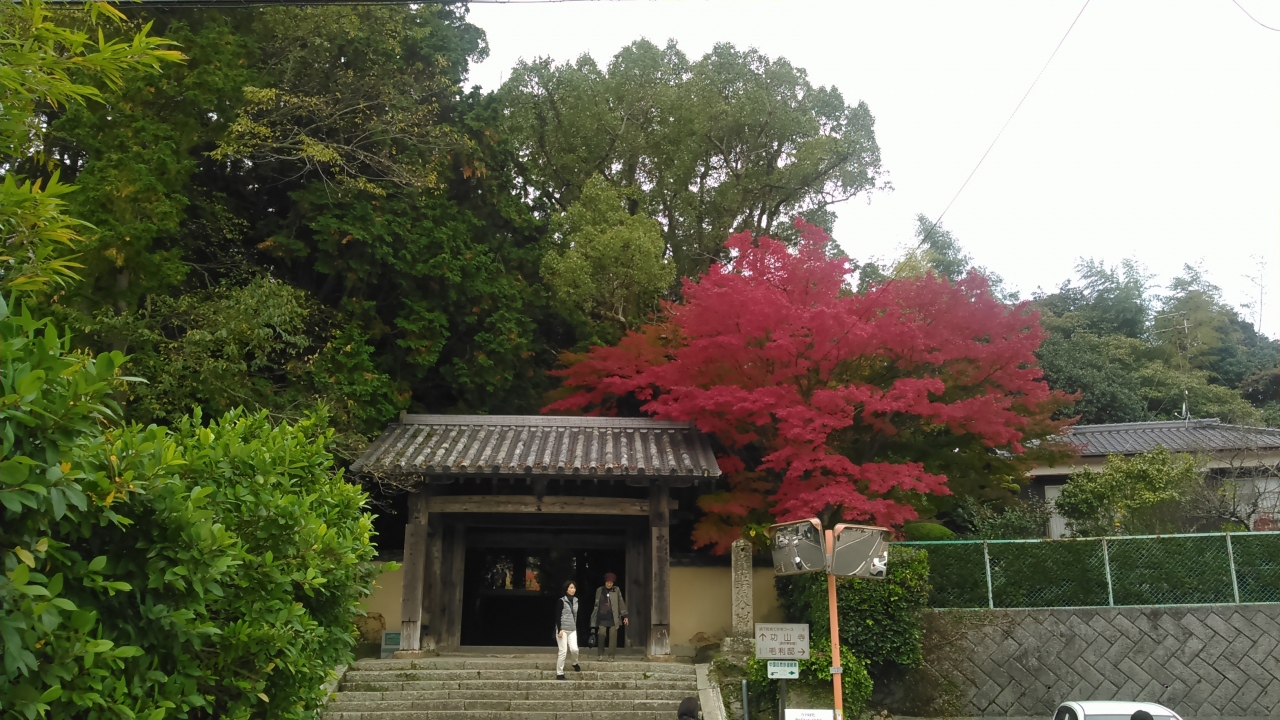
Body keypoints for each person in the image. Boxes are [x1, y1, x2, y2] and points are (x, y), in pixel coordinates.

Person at [590, 572, 629, 661]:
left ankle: (611, 656)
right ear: (605, 582)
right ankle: (600, 654)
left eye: (611, 583)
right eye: (608, 582)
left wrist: (625, 616)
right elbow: (596, 605)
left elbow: (620, 602)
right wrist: (593, 618)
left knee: (613, 637)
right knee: (601, 634)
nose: (609, 584)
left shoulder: (616, 590)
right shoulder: (599, 590)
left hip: (613, 617)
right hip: (602, 617)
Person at [554, 581, 581, 680]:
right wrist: (559, 629)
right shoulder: (561, 601)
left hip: (572, 629)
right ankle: (559, 673)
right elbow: (557, 615)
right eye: (571, 588)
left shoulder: (576, 601)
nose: (573, 590)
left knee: (575, 649)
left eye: (574, 588)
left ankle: (574, 663)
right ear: (566, 589)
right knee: (563, 651)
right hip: (563, 629)